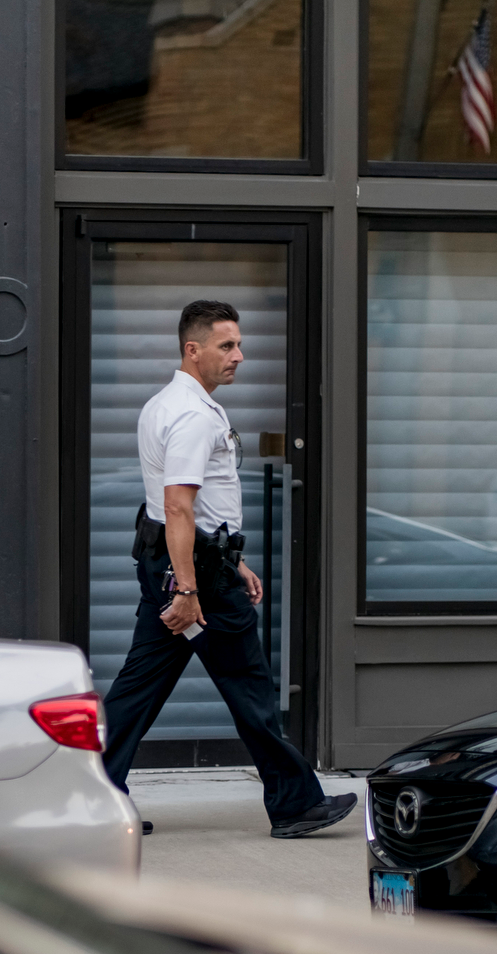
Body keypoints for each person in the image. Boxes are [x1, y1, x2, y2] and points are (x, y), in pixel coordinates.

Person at [101, 299, 355, 839]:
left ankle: (91, 799)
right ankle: (296, 805)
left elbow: (185, 511)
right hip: (195, 578)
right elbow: (177, 506)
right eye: (226, 345)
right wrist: (192, 587)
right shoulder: (192, 416)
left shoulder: (163, 404)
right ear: (193, 350)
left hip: (175, 565)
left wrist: (230, 562)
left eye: (239, 344)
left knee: (137, 689)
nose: (239, 355)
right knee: (251, 689)